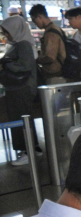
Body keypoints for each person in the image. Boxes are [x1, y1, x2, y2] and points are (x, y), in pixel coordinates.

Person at [0, 15, 39, 166]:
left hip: (21, 88)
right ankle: (31, 148)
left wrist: (5, 66)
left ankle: (27, 151)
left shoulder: (23, 45)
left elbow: (25, 66)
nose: (6, 35)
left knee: (20, 119)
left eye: (7, 32)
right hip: (19, 88)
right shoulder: (20, 44)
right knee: (24, 118)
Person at [29, 4, 67, 84]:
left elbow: (50, 57)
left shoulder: (51, 33)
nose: (34, 23)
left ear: (39, 17)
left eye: (34, 20)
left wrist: (35, 60)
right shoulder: (55, 28)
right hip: (60, 73)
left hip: (56, 76)